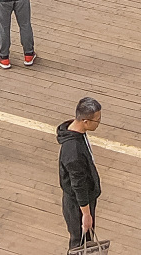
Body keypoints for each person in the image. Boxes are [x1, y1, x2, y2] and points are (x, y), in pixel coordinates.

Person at [58, 98, 105, 253]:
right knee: (79, 243)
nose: (99, 123)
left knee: (85, 241)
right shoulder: (74, 152)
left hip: (81, 199)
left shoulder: (76, 131)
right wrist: (86, 214)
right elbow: (78, 184)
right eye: (97, 120)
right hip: (78, 203)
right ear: (85, 121)